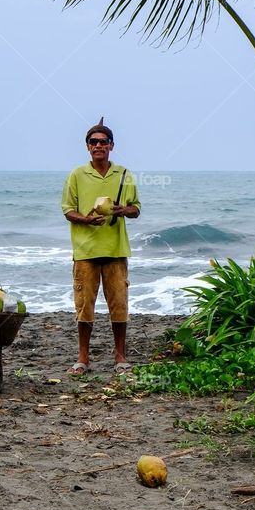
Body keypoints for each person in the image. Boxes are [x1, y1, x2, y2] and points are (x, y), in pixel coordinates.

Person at [61, 118, 140, 375]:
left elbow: (136, 209)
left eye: (103, 142)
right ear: (87, 147)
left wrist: (122, 210)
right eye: (93, 142)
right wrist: (86, 219)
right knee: (84, 305)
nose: (98, 146)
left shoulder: (124, 175)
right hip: (85, 250)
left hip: (116, 250)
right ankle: (82, 359)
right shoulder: (77, 175)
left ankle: (120, 358)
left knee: (119, 304)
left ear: (111, 146)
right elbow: (67, 210)